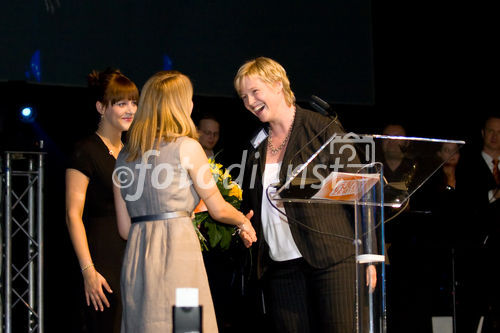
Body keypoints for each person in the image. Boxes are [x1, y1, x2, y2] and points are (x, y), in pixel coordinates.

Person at [233, 57, 376, 333]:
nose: (249, 102)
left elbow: (362, 193)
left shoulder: (322, 129)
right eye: (243, 97)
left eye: (254, 92)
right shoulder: (255, 147)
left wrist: (369, 255)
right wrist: (244, 224)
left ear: (278, 85)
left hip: (332, 260)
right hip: (281, 268)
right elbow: (254, 203)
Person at [112, 70, 257, 333]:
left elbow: (124, 229)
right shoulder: (187, 147)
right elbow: (217, 208)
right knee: (187, 327)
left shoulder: (124, 157)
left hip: (137, 262)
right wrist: (242, 222)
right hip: (179, 258)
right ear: (180, 105)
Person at [65, 68, 138, 333]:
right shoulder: (86, 151)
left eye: (133, 102)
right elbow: (73, 215)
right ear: (101, 107)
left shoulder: (133, 152)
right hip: (102, 258)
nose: (130, 109)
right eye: (121, 103)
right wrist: (88, 270)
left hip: (134, 256)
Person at [458, 114, 500, 331]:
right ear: (483, 133)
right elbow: (465, 202)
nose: (495, 136)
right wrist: (493, 194)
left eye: (499, 132)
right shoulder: (467, 163)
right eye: (491, 131)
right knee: (476, 308)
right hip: (478, 249)